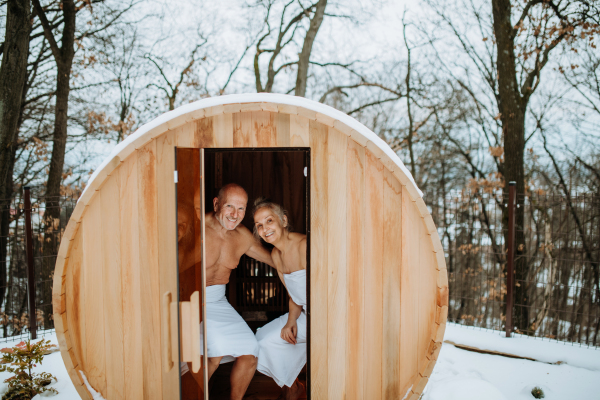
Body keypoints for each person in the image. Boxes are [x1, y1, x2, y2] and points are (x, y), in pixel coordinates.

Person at [178, 183, 274, 400]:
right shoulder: (197, 228)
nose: (235, 215)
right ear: (216, 203)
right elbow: (171, 264)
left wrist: (299, 257)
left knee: (250, 352)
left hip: (218, 302)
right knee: (215, 352)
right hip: (193, 300)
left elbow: (274, 260)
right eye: (230, 206)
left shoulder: (242, 237)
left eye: (241, 209)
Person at [252, 198, 307, 400]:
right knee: (260, 341)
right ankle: (293, 386)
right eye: (259, 225)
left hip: (328, 319)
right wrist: (291, 321)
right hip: (304, 316)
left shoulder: (304, 246)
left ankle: (292, 389)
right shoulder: (276, 254)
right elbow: (294, 296)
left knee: (269, 341)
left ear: (283, 220)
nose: (265, 228)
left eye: (269, 221)